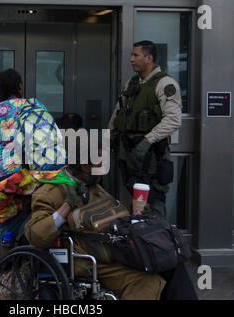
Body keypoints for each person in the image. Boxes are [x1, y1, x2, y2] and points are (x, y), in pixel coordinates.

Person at [25, 141, 166, 300]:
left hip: (108, 249)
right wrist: (67, 205)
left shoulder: (91, 184)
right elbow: (37, 235)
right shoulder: (50, 192)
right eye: (100, 165)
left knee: (164, 262)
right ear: (85, 166)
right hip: (85, 260)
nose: (103, 171)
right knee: (146, 281)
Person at [108, 40, 182, 218]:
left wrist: (148, 140)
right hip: (131, 153)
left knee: (153, 202)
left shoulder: (164, 84)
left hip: (152, 155)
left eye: (136, 55)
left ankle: (157, 241)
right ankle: (140, 240)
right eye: (131, 55)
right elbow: (119, 112)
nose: (131, 59)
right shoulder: (133, 83)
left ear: (149, 58)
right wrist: (109, 138)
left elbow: (173, 120)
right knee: (136, 200)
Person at [0, 68, 64, 184]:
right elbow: (57, 137)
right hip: (36, 172)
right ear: (20, 86)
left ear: (0, 89)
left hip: (4, 175)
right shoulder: (36, 106)